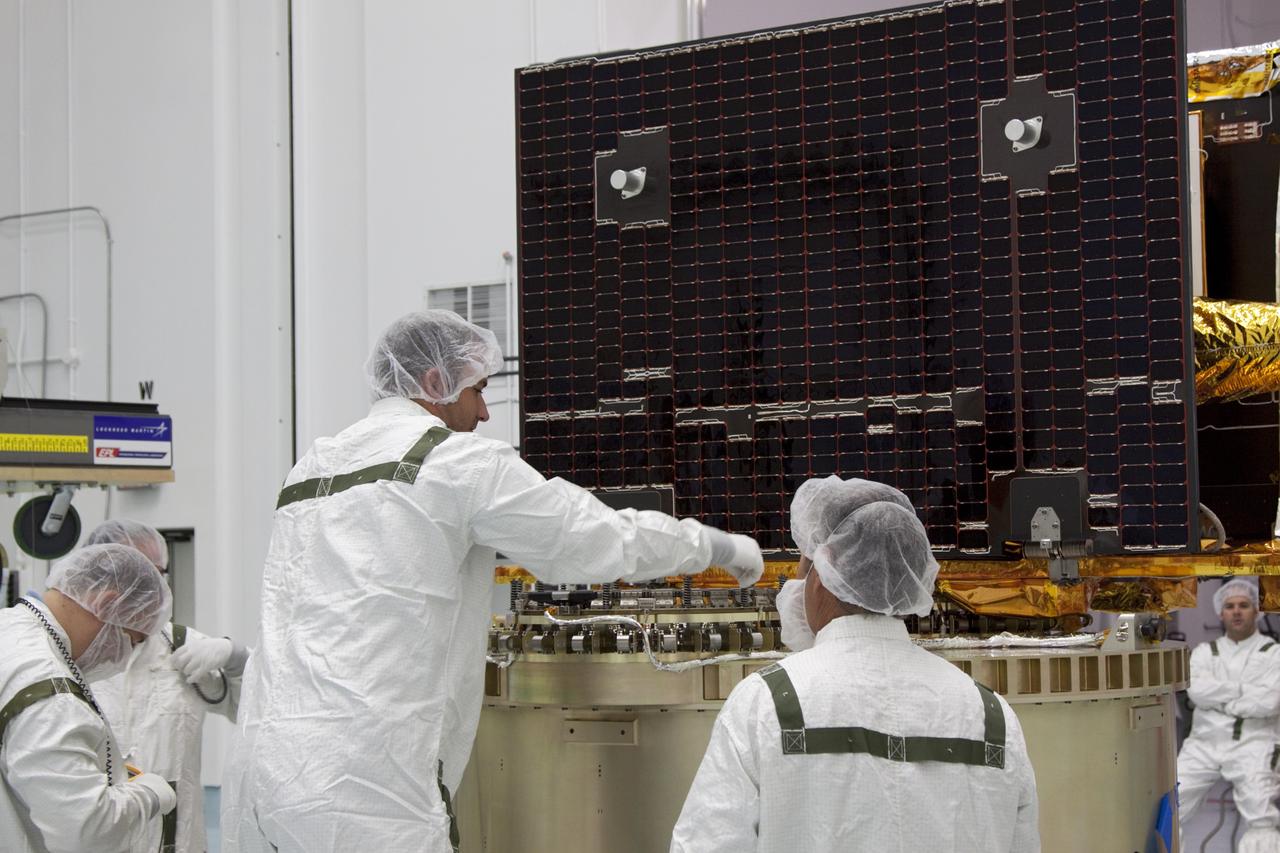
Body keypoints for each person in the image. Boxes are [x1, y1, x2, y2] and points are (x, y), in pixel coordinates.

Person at [222, 310, 765, 853]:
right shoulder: (454, 461)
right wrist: (715, 546)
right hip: (366, 786)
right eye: (478, 390)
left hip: (262, 771)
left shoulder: (311, 468)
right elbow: (590, 537)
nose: (484, 411)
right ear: (435, 383)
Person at [671, 476, 1040, 852]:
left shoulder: (765, 704)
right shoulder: (993, 717)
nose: (796, 584)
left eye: (803, 566)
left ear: (824, 571)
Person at [0, 543, 178, 853]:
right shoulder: (52, 693)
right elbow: (85, 834)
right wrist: (148, 795)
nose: (121, 659)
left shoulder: (10, 629)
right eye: (131, 642)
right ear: (106, 602)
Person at [88, 519, 250, 853]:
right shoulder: (74, 655)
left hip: (178, 842)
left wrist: (236, 658)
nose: (144, 587)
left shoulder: (182, 647)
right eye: (131, 574)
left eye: (153, 574)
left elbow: (250, 707)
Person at [1177, 578, 1280, 853]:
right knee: (1168, 808)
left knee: (1262, 820)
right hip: (1203, 744)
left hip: (1254, 743)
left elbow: (1269, 701)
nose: (1236, 611)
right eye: (1230, 606)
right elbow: (1197, 692)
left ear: (1256, 610)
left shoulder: (1274, 654)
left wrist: (1221, 700)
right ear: (1220, 612)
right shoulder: (1203, 653)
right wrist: (1243, 692)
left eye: (1244, 605)